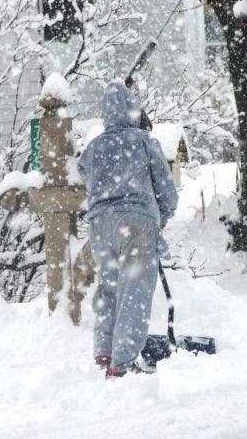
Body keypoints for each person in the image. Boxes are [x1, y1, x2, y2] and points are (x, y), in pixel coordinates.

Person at [77, 80, 178, 378]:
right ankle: (122, 362)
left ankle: (104, 350)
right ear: (134, 110)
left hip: (100, 226)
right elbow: (167, 191)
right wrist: (158, 218)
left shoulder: (93, 148)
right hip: (136, 221)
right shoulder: (144, 141)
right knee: (134, 291)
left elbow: (84, 172)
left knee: (108, 287)